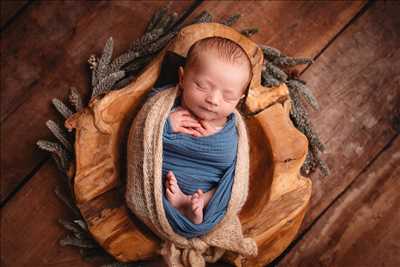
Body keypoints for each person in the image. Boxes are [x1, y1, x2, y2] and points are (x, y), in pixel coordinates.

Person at [150, 36, 252, 237]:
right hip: (162, 181)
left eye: (228, 97)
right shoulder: (166, 107)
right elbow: (143, 132)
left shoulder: (231, 128)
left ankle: (196, 204)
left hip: (206, 191)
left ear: (239, 100)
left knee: (232, 185)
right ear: (182, 78)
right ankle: (178, 207)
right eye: (202, 86)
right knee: (155, 186)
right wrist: (166, 125)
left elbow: (231, 163)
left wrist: (215, 138)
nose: (213, 100)